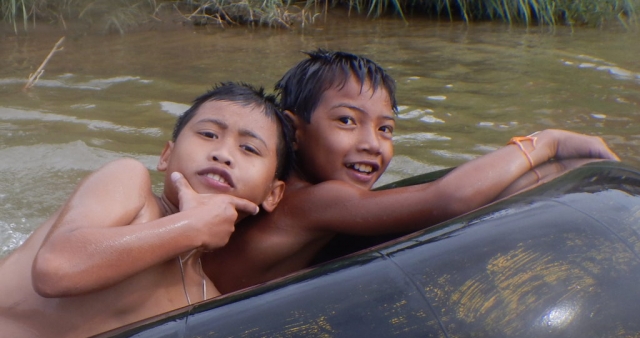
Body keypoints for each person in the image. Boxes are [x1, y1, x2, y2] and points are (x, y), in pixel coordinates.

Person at [203, 50, 619, 294]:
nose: (372, 143)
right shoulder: (313, 201)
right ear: (294, 131)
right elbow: (446, 199)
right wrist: (545, 145)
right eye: (347, 121)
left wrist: (554, 174)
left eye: (385, 128)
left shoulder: (301, 200)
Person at [0, 82, 291, 338]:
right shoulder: (129, 184)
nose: (223, 153)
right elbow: (55, 268)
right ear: (166, 155)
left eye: (249, 148)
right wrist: (191, 226)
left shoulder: (205, 301)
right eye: (208, 134)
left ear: (272, 194)